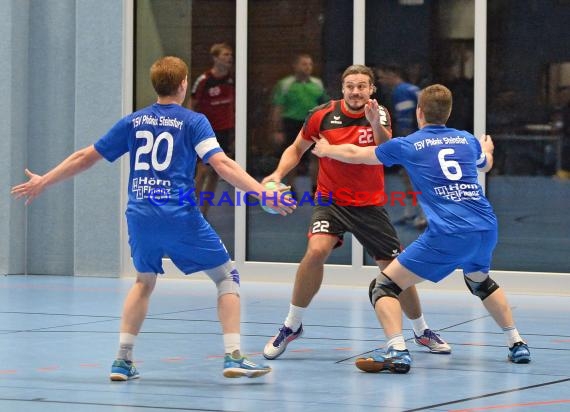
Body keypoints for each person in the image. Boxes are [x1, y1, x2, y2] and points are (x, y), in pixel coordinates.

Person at [11, 56, 295, 380]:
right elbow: (222, 164)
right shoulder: (194, 121)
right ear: (184, 84)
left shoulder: (133, 121)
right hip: (178, 213)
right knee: (227, 277)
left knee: (143, 281)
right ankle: (233, 356)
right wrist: (261, 191)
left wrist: (44, 180)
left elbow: (85, 157)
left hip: (140, 214)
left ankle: (122, 359)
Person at [312, 84, 531, 374]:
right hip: (485, 227)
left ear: (419, 112)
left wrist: (328, 149)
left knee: (384, 286)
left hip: (449, 233)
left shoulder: (409, 144)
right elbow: (485, 164)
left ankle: (398, 350)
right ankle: (517, 343)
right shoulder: (466, 140)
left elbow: (357, 154)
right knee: (480, 281)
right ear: (448, 113)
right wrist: (488, 150)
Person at [262, 65, 451, 361]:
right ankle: (291, 325)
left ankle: (421, 330)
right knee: (315, 251)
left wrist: (375, 122)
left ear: (371, 89)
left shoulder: (380, 113)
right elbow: (296, 149)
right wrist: (276, 175)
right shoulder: (322, 115)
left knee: (395, 269)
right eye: (350, 86)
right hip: (331, 201)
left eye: (362, 86)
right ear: (342, 88)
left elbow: (386, 150)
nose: (355, 91)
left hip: (369, 205)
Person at [270, 53, 329, 195]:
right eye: (304, 64)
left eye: (310, 64)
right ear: (295, 66)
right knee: (293, 155)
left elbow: (326, 105)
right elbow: (277, 108)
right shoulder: (285, 85)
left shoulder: (317, 83)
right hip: (292, 124)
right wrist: (277, 130)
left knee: (317, 156)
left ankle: (316, 188)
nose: (308, 67)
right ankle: (290, 188)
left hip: (313, 123)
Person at [377, 64, 426, 229]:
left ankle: (424, 215)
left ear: (393, 74)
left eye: (382, 76)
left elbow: (406, 122)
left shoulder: (401, 91)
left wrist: (403, 146)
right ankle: (410, 212)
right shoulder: (411, 89)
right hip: (421, 139)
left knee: (413, 178)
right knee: (406, 176)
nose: (381, 81)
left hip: (413, 141)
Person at [189, 42, 235, 217]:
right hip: (207, 131)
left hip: (225, 130)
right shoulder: (204, 80)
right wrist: (190, 129)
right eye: (225, 54)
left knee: (217, 172)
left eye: (230, 54)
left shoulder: (232, 79)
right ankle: (192, 211)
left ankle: (204, 213)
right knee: (202, 170)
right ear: (215, 58)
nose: (229, 57)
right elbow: (192, 105)